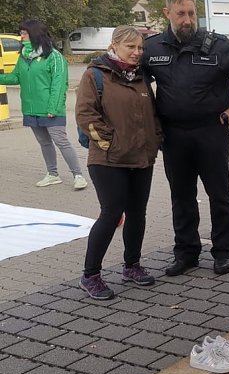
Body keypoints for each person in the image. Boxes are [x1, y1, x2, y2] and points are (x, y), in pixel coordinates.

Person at [143, 0, 229, 277]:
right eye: (180, 14)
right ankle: (186, 253)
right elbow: (134, 82)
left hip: (212, 132)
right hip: (174, 137)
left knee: (219, 194)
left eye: (191, 13)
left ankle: (223, 253)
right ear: (167, 14)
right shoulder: (152, 48)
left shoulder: (219, 46)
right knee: (181, 197)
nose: (187, 20)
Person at [75, 26, 162, 300]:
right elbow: (86, 115)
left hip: (141, 158)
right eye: (131, 48)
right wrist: (111, 143)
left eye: (140, 48)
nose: (137, 53)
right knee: (111, 214)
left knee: (138, 213)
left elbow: (153, 115)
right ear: (115, 45)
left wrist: (155, 139)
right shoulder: (95, 75)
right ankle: (90, 275)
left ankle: (132, 266)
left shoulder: (141, 77)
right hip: (107, 159)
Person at [0, 20, 87, 190]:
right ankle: (52, 174)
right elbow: (14, 78)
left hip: (50, 109)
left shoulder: (54, 57)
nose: (20, 36)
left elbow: (59, 84)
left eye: (24, 33)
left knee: (61, 141)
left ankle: (78, 175)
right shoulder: (24, 57)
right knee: (44, 142)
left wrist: (53, 108)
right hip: (31, 108)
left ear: (34, 34)